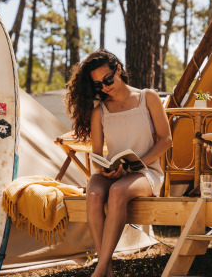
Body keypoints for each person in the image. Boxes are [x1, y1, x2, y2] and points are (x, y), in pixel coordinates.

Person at [65, 49, 172, 277]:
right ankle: (108, 269)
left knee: (117, 191)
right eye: (98, 85)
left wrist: (137, 164)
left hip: (146, 173)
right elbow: (95, 154)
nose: (105, 87)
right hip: (116, 173)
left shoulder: (148, 98)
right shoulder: (99, 112)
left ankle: (100, 269)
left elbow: (166, 140)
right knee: (93, 192)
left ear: (119, 69)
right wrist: (104, 167)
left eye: (107, 79)